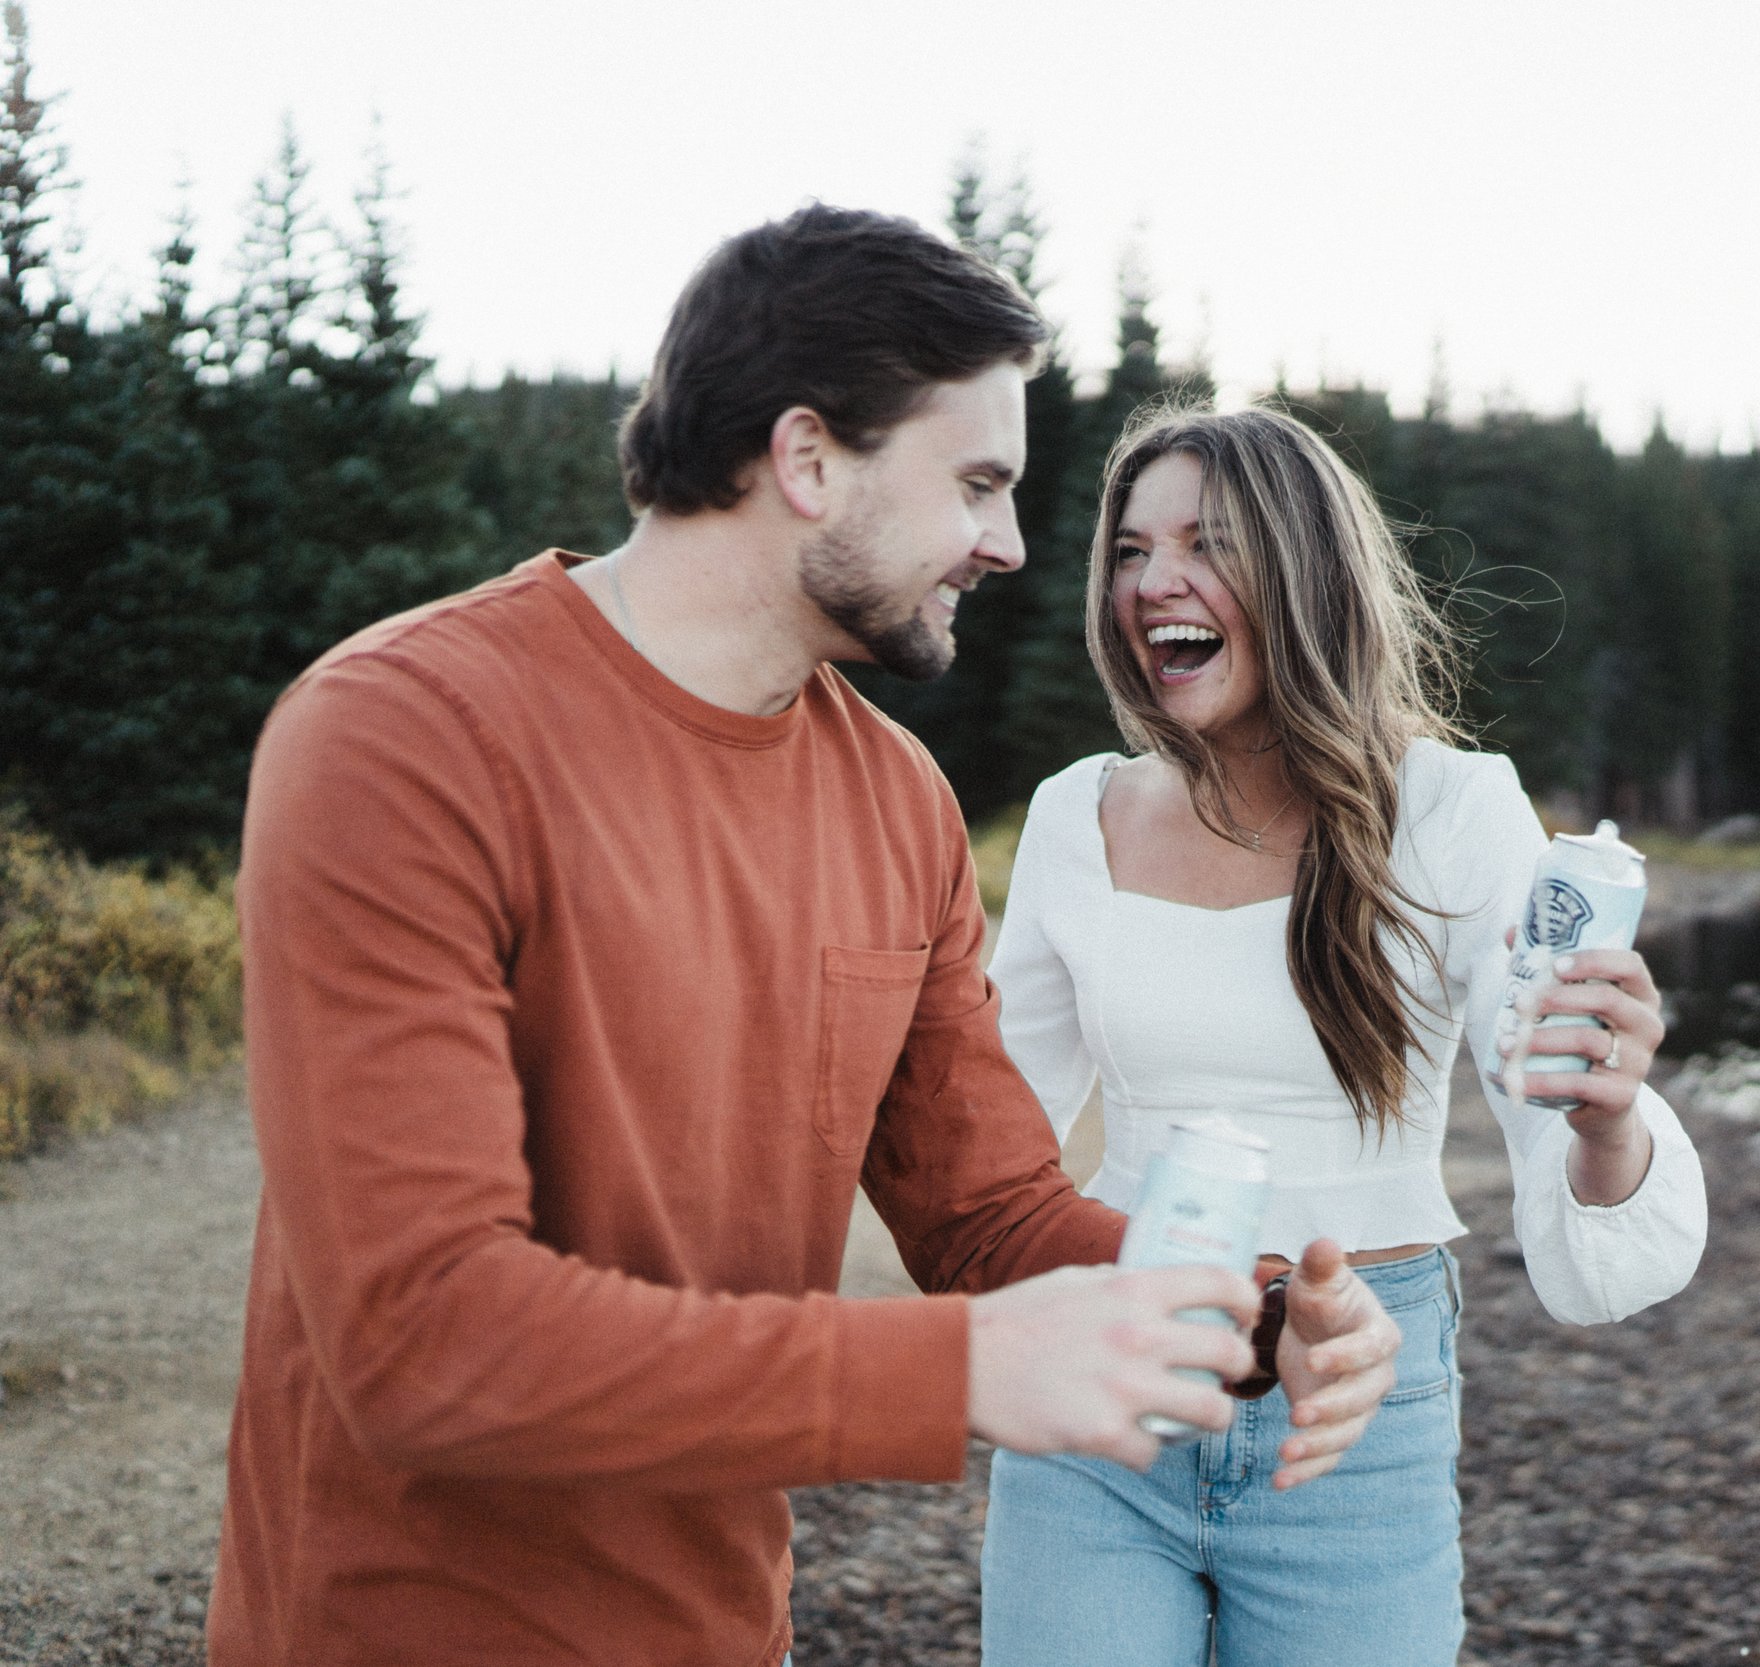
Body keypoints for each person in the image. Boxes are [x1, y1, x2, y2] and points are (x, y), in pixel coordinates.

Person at [208, 207, 1402, 1667]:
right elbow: (423, 1340)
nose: (1012, 546)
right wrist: (966, 1372)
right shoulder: (404, 735)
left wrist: (1251, 1317)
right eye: (974, 482)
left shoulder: (897, 801)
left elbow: (989, 1214)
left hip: (726, 1625)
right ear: (809, 456)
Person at [977, 403, 1710, 1667]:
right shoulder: (1071, 815)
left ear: (1305, 571)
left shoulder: (1457, 810)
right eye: (1129, 550)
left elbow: (1581, 1205)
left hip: (1357, 1402)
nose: (1154, 583)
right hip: (1111, 1371)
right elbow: (987, 1142)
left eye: (1205, 543)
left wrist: (1604, 1115)